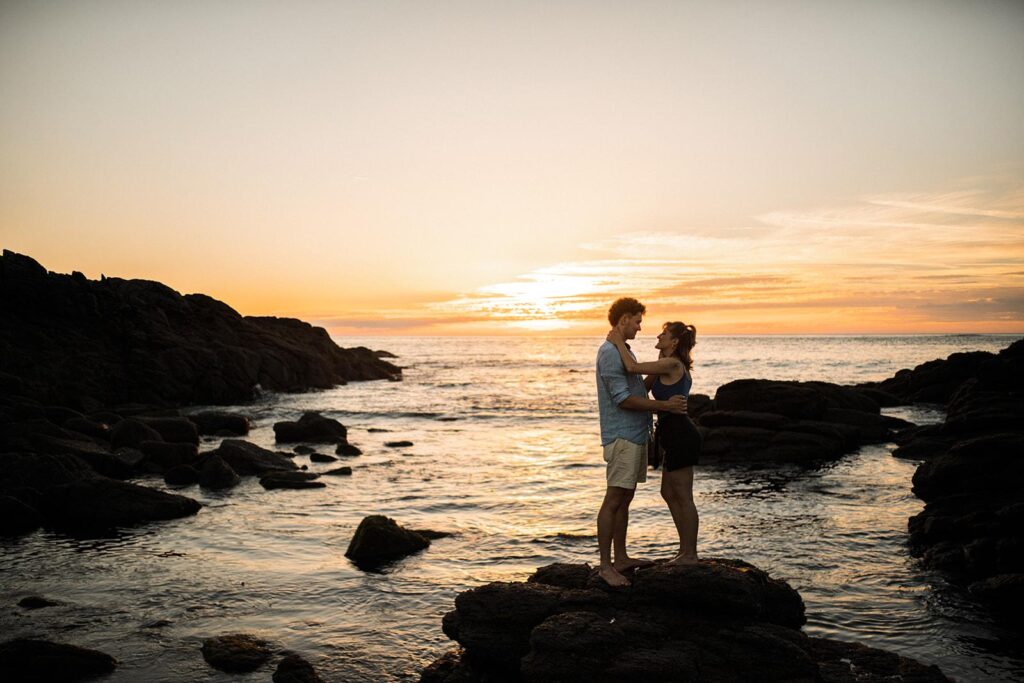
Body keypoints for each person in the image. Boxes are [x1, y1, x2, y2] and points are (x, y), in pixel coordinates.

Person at [596, 298, 689, 587]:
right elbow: (622, 399)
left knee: (625, 498)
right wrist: (664, 406)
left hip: (635, 436)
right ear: (623, 319)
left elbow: (638, 384)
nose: (640, 327)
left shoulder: (624, 350)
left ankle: (621, 559)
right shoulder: (611, 353)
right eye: (637, 321)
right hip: (622, 436)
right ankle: (605, 566)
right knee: (614, 499)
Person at [607, 321, 702, 565]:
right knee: (668, 492)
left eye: (665, 334)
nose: (658, 335)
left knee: (683, 495)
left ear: (675, 342)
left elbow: (631, 367)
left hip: (681, 433)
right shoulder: (665, 365)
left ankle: (690, 554)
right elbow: (641, 388)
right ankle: (684, 551)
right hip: (671, 433)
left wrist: (618, 341)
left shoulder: (672, 364)